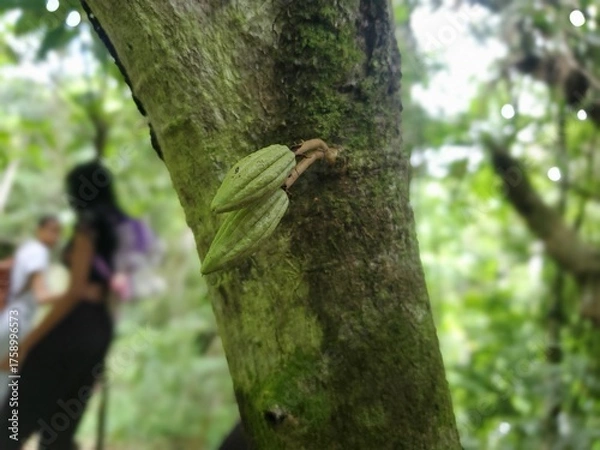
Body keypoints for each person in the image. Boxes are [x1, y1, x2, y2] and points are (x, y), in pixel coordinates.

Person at [0, 161, 127, 449]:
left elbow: (74, 292)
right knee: (60, 430)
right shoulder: (118, 229)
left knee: (11, 424)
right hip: (99, 329)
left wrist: (26, 346)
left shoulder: (87, 227)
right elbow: (110, 291)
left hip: (76, 324)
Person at [0, 216, 62, 401]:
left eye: (58, 232)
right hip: (17, 321)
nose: (55, 237)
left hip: (10, 318)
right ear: (39, 230)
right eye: (52, 230)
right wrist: (74, 295)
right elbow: (41, 296)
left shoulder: (27, 250)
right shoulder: (38, 252)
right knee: (5, 376)